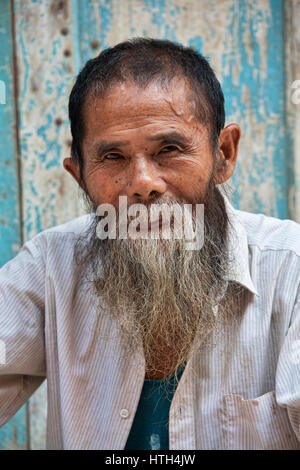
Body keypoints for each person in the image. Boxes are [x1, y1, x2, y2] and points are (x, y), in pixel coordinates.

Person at [0, 38, 299, 450]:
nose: (143, 183)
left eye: (169, 149)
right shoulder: (50, 267)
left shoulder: (291, 269)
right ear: (80, 175)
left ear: (224, 154)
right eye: (113, 157)